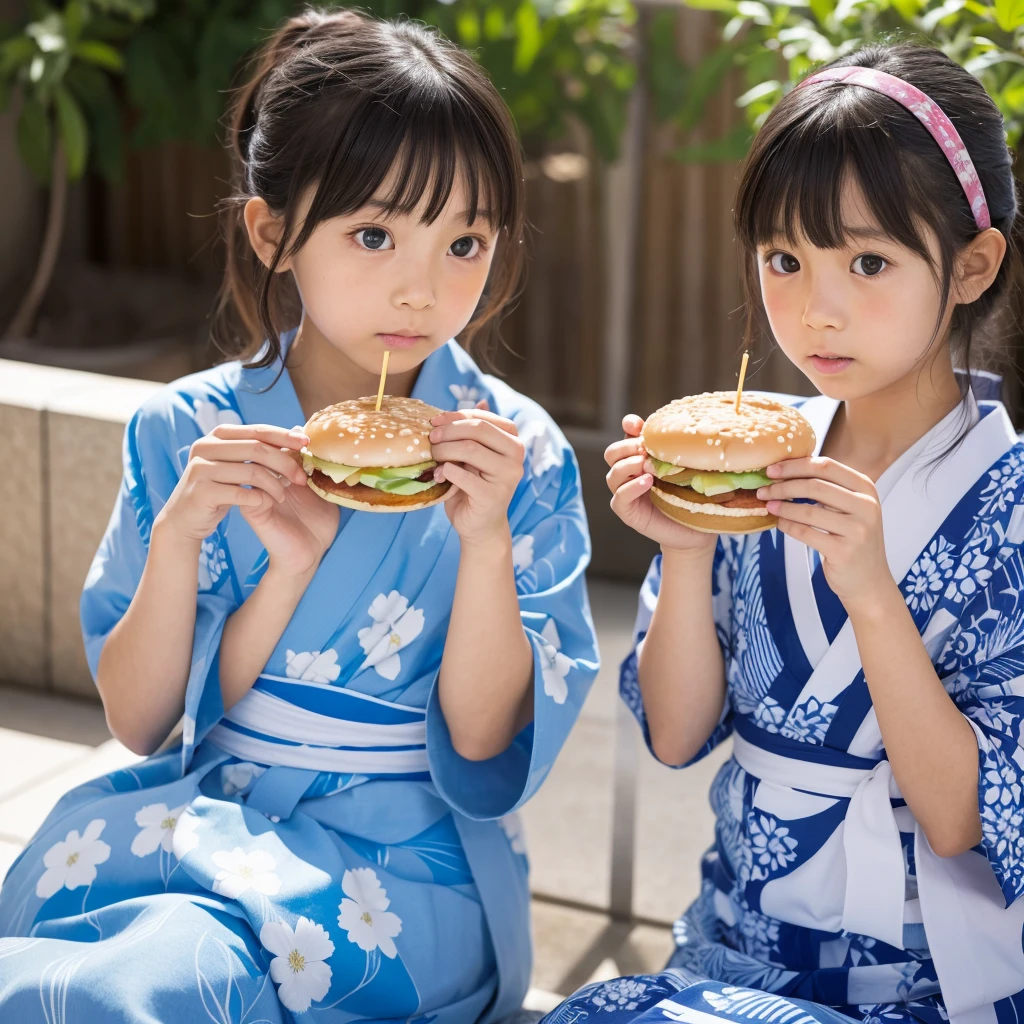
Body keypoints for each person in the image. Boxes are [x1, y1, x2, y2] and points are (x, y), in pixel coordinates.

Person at [0, 9, 598, 1022]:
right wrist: (211, 545)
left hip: (406, 871)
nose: (422, 286)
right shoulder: (188, 429)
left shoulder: (516, 451)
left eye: (465, 241)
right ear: (271, 230)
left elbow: (483, 732)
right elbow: (140, 719)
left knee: (160, 983)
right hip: (207, 819)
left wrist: (486, 540)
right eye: (374, 234)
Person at [543, 41, 1024, 1024]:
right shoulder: (745, 462)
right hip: (733, 952)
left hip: (922, 986)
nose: (816, 306)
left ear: (971, 266)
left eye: (869, 261)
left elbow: (962, 817)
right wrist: (681, 548)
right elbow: (676, 738)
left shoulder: (1007, 504)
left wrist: (871, 593)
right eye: (783, 259)